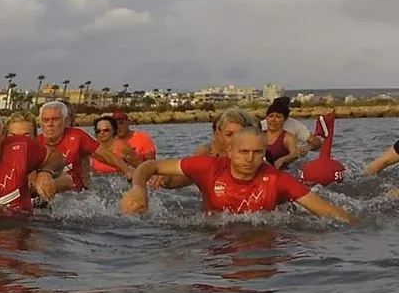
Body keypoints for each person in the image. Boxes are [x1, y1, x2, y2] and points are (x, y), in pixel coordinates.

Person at [120, 127, 354, 223]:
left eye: (257, 152)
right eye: (243, 152)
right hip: (214, 243)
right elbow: (150, 166)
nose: (250, 159)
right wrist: (139, 189)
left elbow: (331, 214)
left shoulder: (277, 179)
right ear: (230, 152)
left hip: (263, 245)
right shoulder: (208, 167)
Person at [36, 101, 135, 191]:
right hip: (50, 191)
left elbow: (104, 154)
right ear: (40, 123)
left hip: (77, 194)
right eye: (45, 120)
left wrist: (126, 170)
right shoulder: (36, 143)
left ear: (64, 121)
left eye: (55, 119)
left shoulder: (77, 136)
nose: (50, 124)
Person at [263, 99, 299, 170]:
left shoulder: (288, 137)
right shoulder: (258, 135)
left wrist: (282, 160)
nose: (273, 119)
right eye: (270, 116)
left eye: (278, 117)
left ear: (285, 119)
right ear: (266, 118)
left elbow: (294, 154)